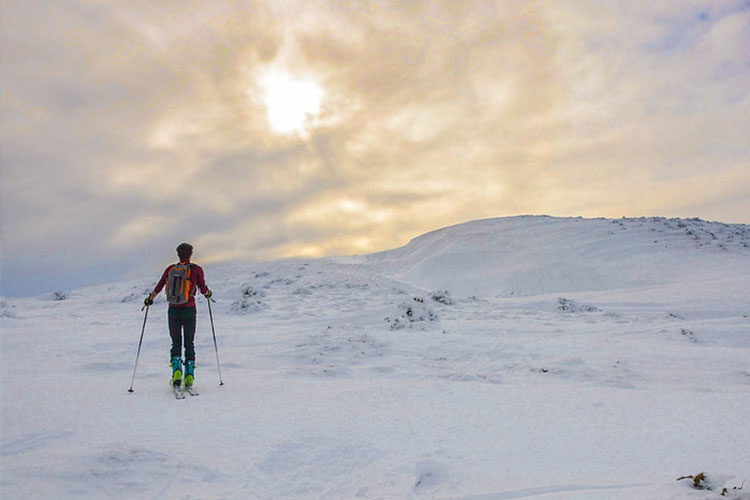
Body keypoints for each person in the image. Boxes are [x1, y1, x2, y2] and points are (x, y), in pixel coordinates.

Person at [145, 243, 212, 387]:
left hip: (173, 309)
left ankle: (176, 371)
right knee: (189, 342)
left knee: (176, 341)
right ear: (191, 254)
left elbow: (160, 285)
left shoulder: (170, 269)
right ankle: (189, 374)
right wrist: (208, 294)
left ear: (178, 254)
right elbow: (202, 289)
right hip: (189, 309)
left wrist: (150, 299)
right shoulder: (196, 269)